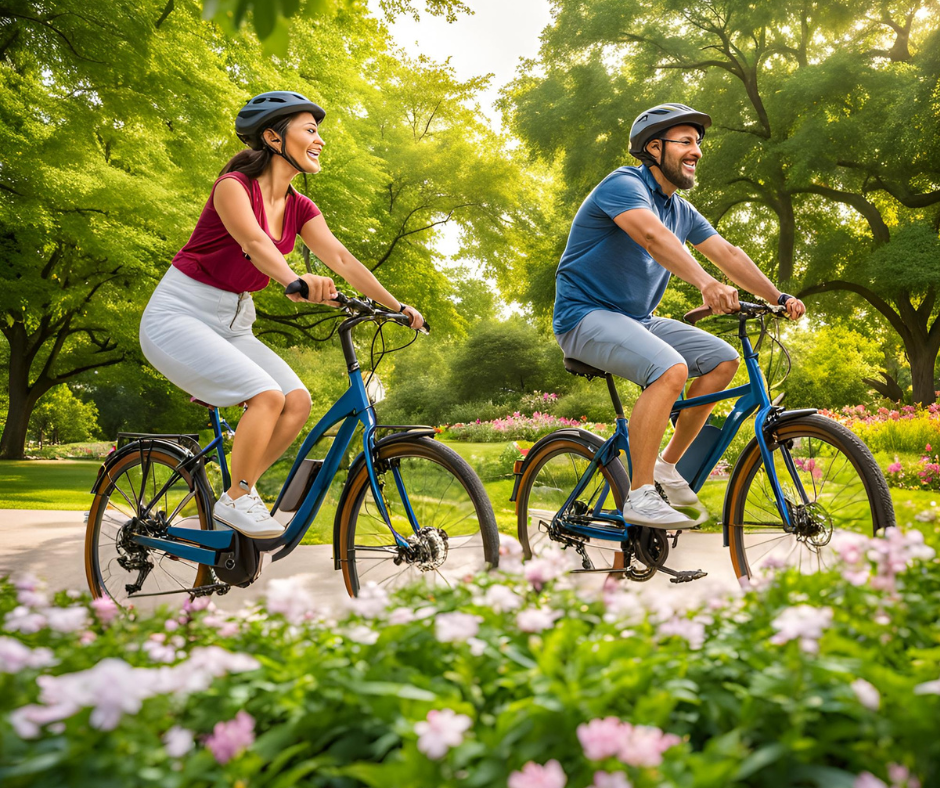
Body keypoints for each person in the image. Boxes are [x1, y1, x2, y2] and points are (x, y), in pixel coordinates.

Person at [140, 91, 424, 539]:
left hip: (235, 322)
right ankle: (236, 498)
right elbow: (255, 245)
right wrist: (294, 278)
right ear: (273, 137)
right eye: (310, 130)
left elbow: (343, 260)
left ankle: (238, 493)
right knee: (266, 395)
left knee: (297, 402)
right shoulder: (233, 186)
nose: (320, 140)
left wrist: (397, 306)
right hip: (180, 315)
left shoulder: (300, 207)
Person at [553, 103, 805, 528]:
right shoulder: (624, 183)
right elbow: (652, 237)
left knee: (724, 360)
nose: (697, 152)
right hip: (584, 316)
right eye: (686, 142)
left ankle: (667, 467)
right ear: (655, 147)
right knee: (671, 368)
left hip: (636, 319)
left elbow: (727, 254)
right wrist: (706, 284)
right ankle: (639, 493)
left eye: (698, 143)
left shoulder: (680, 210)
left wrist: (777, 296)